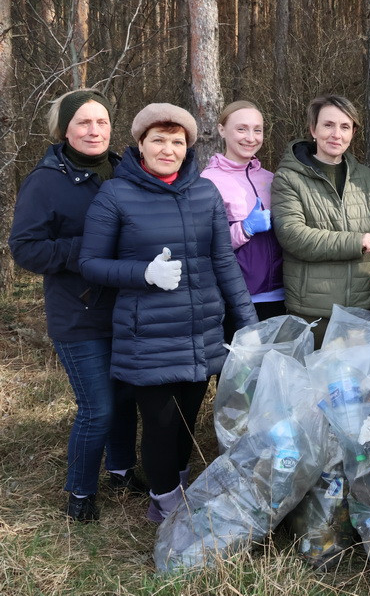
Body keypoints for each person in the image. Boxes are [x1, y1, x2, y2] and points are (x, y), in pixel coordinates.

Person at [79, 103, 258, 522]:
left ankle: (175, 489)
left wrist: (248, 322)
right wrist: (144, 273)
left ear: (188, 147)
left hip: (201, 330)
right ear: (140, 145)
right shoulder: (116, 194)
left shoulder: (204, 192)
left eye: (177, 141)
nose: (168, 149)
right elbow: (90, 263)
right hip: (150, 335)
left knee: (185, 422)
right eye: (158, 140)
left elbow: (223, 262)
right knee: (159, 427)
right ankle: (165, 507)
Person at [8, 89, 144, 522]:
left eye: (101, 121)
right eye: (84, 122)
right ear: (64, 128)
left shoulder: (125, 171)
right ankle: (81, 493)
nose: (94, 130)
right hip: (78, 312)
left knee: (124, 398)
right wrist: (87, 251)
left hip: (125, 308)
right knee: (97, 406)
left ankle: (121, 469)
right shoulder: (46, 180)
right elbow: (25, 249)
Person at [272, 94, 370, 346]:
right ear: (313, 129)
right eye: (328, 125)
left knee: (360, 384)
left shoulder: (369, 179)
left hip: (361, 310)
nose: (336, 134)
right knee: (314, 383)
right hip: (312, 311)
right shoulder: (288, 178)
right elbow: (293, 235)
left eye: (344, 127)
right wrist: (355, 242)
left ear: (353, 132)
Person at [201, 101, 285, 342]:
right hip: (237, 300)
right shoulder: (208, 181)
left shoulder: (271, 179)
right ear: (221, 130)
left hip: (278, 296)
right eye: (242, 129)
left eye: (257, 130)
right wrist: (245, 229)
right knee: (240, 378)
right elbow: (204, 245)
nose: (251, 137)